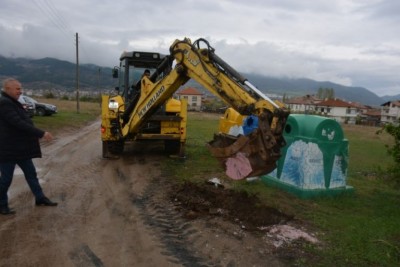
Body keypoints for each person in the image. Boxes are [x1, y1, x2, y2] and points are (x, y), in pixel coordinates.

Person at [0, 78, 58, 215]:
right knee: (6, 179)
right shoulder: (5, 104)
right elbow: (18, 123)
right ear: (7, 89)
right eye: (17, 89)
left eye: (20, 88)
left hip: (20, 149)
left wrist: (33, 137)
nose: (21, 91)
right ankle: (2, 204)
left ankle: (40, 198)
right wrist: (41, 133)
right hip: (7, 150)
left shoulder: (13, 102)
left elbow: (24, 123)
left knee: (31, 174)